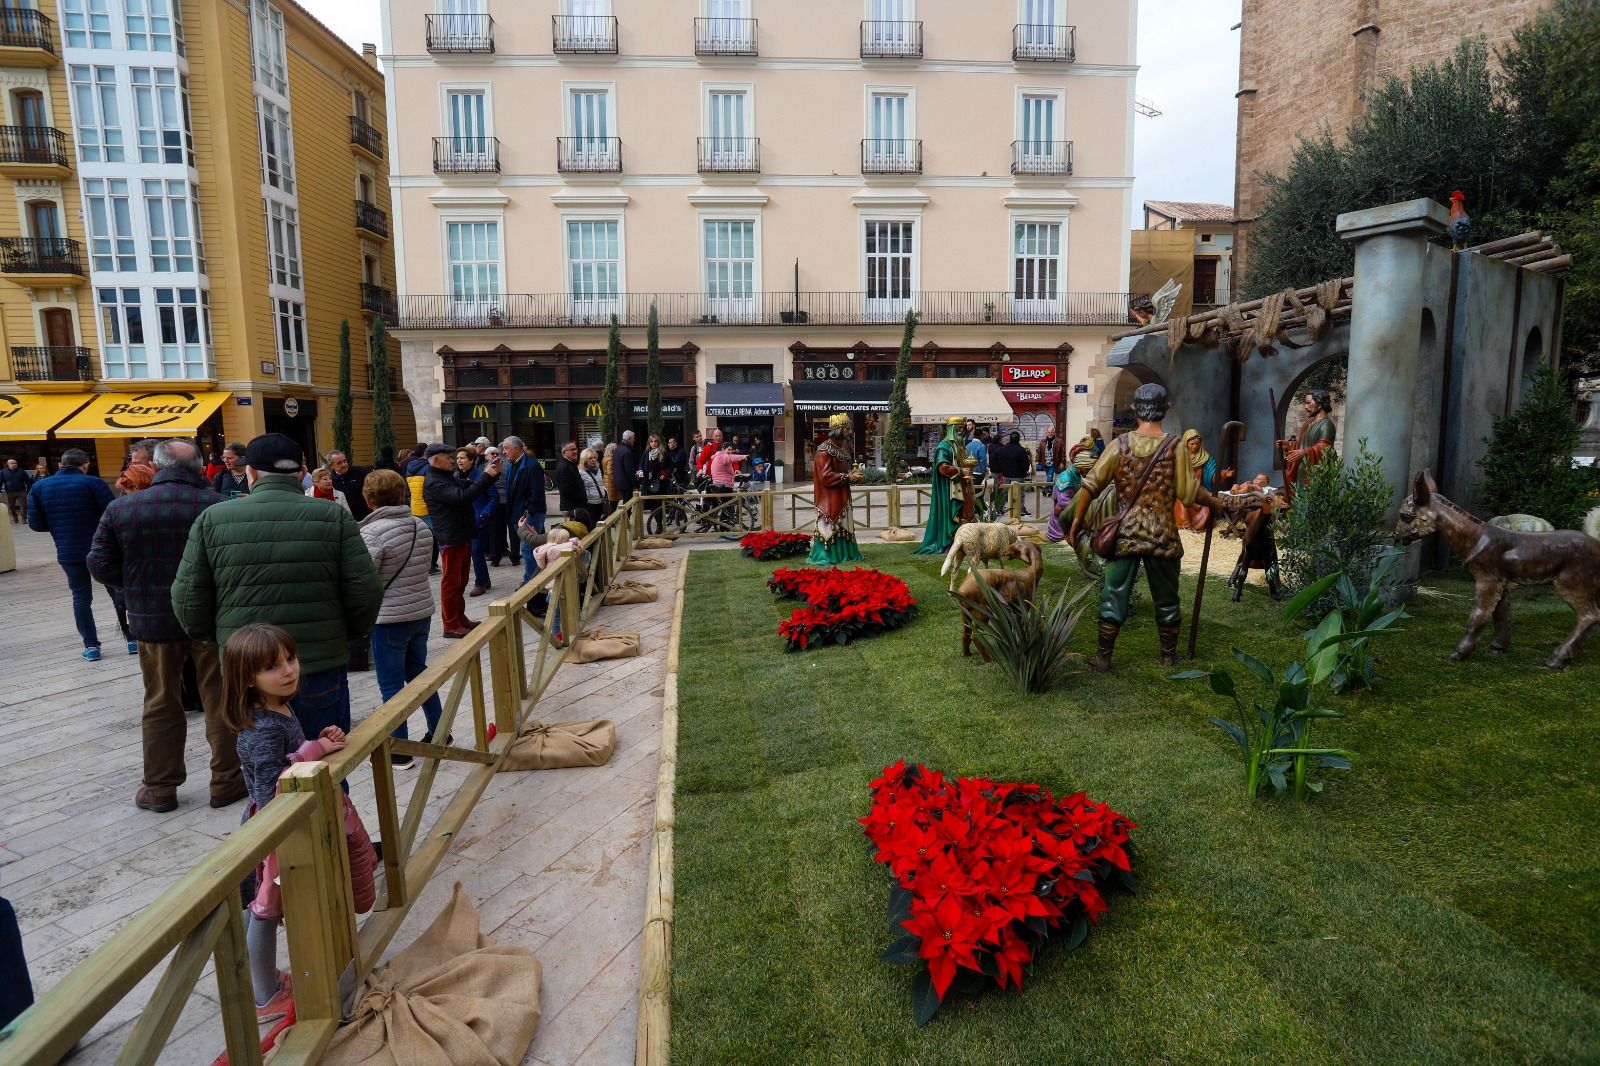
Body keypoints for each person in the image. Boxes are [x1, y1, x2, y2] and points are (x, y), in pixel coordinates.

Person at [173, 433, 383, 740]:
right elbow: (366, 589)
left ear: (251, 473)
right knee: (326, 759)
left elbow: (187, 599)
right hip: (318, 661)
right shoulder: (331, 516)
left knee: (264, 763)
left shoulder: (213, 520)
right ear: (301, 473)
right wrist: (340, 634)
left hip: (247, 668)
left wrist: (224, 639)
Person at [87, 439, 243, 812]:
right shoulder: (219, 507)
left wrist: (135, 585)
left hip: (152, 620)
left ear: (156, 467)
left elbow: (98, 563)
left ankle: (160, 788)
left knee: (160, 702)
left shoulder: (122, 508)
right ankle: (226, 781)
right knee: (219, 698)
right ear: (198, 468)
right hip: (209, 619)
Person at [225, 623, 347, 1023]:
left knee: (259, 905)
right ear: (247, 679)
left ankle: (257, 980)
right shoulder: (260, 726)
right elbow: (269, 788)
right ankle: (263, 996)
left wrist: (318, 740)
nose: (288, 670)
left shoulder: (278, 707)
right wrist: (314, 749)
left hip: (279, 824)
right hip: (271, 831)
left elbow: (291, 756)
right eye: (272, 667)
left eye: (290, 659)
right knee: (265, 909)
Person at [1068, 383, 1230, 671]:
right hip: (1162, 534)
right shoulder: (1175, 446)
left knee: (1114, 593)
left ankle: (1104, 657)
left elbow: (1090, 485)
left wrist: (1078, 522)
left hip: (1125, 535)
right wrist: (1215, 501)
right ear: (1165, 409)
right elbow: (1188, 493)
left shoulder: (1120, 445)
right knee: (1167, 596)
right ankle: (1168, 656)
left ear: (1134, 410)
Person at [358, 469, 445, 768]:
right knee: (419, 674)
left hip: (389, 618)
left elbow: (366, 580)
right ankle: (439, 730)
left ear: (369, 500)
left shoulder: (370, 532)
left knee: (391, 684)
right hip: (420, 611)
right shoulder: (421, 526)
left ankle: (399, 749)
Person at [28, 448, 124, 661]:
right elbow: (113, 514)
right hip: (101, 549)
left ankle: (91, 646)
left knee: (81, 597)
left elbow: (35, 524)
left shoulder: (39, 487)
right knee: (115, 590)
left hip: (67, 549)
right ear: (86, 465)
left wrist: (59, 527)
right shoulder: (93, 483)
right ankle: (132, 638)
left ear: (61, 464)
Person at [422, 442, 501, 638]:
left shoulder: (446, 476)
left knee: (461, 580)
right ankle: (450, 624)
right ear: (436, 460)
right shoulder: (434, 481)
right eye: (449, 458)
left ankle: (460, 617)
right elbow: (462, 497)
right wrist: (486, 476)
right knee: (451, 583)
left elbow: (468, 486)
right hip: (450, 536)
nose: (452, 461)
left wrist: (490, 475)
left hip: (461, 533)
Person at [808, 413, 865, 563]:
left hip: (841, 496)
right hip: (829, 499)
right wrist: (846, 477)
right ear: (839, 430)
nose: (850, 431)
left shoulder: (840, 448)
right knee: (830, 527)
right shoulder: (824, 450)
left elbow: (839, 472)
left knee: (843, 526)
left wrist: (850, 475)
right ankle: (828, 555)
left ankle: (845, 553)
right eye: (847, 429)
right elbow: (825, 476)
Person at [917, 417, 968, 555]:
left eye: (963, 428)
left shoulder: (958, 446)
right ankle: (948, 543)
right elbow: (942, 468)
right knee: (949, 514)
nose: (962, 431)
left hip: (959, 487)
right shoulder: (944, 446)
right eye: (959, 428)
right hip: (947, 489)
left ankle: (961, 542)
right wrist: (960, 471)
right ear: (951, 429)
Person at [1279, 388, 1337, 504]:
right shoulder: (1309, 423)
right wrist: (1289, 444)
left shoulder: (1326, 425)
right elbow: (1303, 445)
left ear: (1320, 404)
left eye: (1309, 403)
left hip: (1313, 474)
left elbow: (1324, 448)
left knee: (1309, 503)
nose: (1306, 407)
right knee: (1299, 503)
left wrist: (1304, 452)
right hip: (1302, 471)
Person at [500, 435, 545, 584]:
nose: (504, 452)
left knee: (528, 549)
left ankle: (531, 582)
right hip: (517, 514)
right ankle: (534, 578)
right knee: (526, 549)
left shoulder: (531, 465)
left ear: (517, 448)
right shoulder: (512, 464)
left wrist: (528, 512)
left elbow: (536, 493)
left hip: (528, 515)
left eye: (506, 448)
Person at [457, 446, 494, 597]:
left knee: (476, 551)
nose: (459, 460)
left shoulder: (481, 476)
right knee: (474, 552)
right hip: (463, 520)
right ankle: (485, 580)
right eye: (458, 458)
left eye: (463, 458)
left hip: (478, 520)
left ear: (471, 460)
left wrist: (484, 513)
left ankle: (480, 583)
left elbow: (493, 497)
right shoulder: (455, 476)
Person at [1174, 430, 1227, 533]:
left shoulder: (1205, 458)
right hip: (1185, 489)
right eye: (1192, 444)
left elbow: (1212, 477)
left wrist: (1222, 475)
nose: (1194, 446)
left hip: (1201, 490)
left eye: (1197, 444)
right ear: (1186, 443)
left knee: (1206, 504)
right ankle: (1185, 526)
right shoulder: (1181, 458)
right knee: (1183, 500)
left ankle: (1200, 527)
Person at [404, 443, 438, 575]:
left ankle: (424, 564)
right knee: (436, 537)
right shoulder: (428, 467)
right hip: (428, 507)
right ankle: (432, 564)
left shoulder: (409, 467)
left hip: (415, 506)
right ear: (426, 452)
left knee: (421, 538)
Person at [477, 444, 508, 568]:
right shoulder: (484, 468)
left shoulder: (503, 467)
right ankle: (495, 555)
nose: (495, 455)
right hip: (493, 502)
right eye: (492, 454)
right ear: (486, 456)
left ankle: (498, 553)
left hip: (502, 501)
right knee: (495, 530)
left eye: (496, 453)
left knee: (499, 529)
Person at [990, 431, 1034, 516]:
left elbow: (999, 460)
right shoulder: (1021, 450)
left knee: (1005, 492)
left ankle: (999, 508)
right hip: (1018, 475)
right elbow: (1026, 463)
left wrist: (1003, 470)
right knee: (1020, 493)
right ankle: (1021, 509)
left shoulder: (1003, 448)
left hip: (1006, 475)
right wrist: (1024, 472)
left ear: (1010, 438)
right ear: (1019, 439)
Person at [326, 451, 371, 522]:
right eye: (339, 463)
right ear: (332, 466)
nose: (344, 464)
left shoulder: (360, 472)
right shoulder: (329, 480)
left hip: (366, 516)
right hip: (345, 520)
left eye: (344, 461)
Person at [554, 440, 585, 517]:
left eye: (575, 449)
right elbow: (566, 489)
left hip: (575, 506)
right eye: (572, 450)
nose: (575, 451)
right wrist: (582, 498)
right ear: (564, 452)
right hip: (571, 508)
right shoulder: (565, 467)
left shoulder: (570, 464)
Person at [578, 447, 606, 514]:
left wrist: (604, 491)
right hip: (590, 503)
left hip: (600, 501)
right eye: (590, 458)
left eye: (594, 457)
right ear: (584, 459)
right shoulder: (581, 472)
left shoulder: (598, 469)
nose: (593, 460)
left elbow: (600, 483)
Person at [613, 430, 638, 505]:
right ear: (629, 439)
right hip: (626, 483)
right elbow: (629, 470)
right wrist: (635, 484)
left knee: (625, 502)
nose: (634, 440)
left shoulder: (618, 449)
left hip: (620, 481)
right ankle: (626, 517)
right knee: (627, 504)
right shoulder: (627, 451)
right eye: (633, 438)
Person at [3, 458, 32, 523]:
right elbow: (0, 481)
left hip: (21, 491)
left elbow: (28, 481)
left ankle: (24, 518)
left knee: (24, 506)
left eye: (15, 463)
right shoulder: (3, 472)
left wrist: (29, 490)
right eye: (12, 463)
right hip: (9, 492)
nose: (14, 464)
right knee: (11, 507)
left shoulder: (21, 471)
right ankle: (15, 517)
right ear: (8, 464)